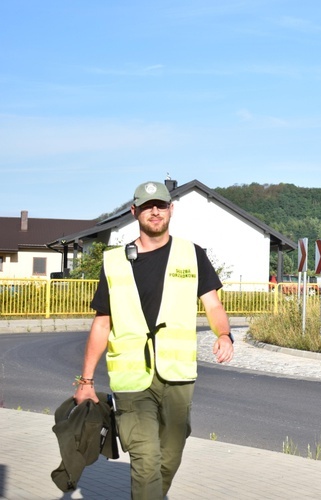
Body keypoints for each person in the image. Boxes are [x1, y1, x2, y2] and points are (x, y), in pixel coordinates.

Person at [74, 180, 234, 499]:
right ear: (135, 212)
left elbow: (213, 304)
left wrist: (225, 334)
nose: (155, 211)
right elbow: (102, 323)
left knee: (169, 458)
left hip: (177, 376)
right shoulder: (115, 262)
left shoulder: (192, 255)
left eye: (160, 205)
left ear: (171, 210)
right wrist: (86, 380)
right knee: (146, 458)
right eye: (147, 206)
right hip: (131, 379)